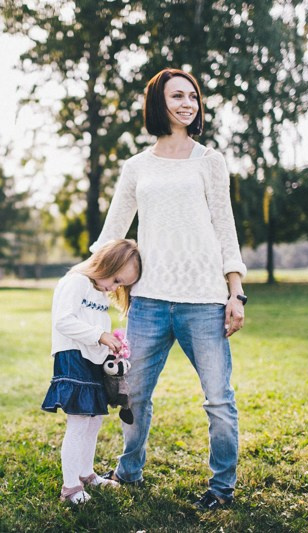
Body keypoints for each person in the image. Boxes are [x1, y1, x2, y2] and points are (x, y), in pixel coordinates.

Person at [90, 68, 248, 511]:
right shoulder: (136, 166)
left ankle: (221, 489)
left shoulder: (210, 161)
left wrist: (235, 292)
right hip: (149, 301)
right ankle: (128, 472)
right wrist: (84, 276)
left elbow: (225, 228)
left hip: (204, 300)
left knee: (218, 400)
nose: (187, 103)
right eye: (177, 95)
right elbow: (112, 232)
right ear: (158, 102)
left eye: (193, 97)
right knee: (133, 393)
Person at [41, 238, 143, 505]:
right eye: (117, 279)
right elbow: (63, 321)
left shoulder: (99, 292)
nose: (115, 287)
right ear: (106, 263)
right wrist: (99, 335)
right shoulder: (76, 281)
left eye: (121, 285)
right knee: (79, 422)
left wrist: (110, 348)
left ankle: (86, 473)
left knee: (94, 419)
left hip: (91, 361)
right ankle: (70, 487)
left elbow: (96, 328)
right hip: (72, 357)